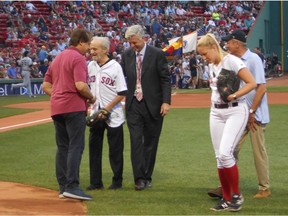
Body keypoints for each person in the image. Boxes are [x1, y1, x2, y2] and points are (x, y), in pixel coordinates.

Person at [197, 33, 256, 212]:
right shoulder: (213, 65)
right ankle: (227, 199)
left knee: (225, 154)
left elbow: (251, 83)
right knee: (219, 158)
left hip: (235, 110)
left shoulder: (231, 61)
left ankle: (236, 195)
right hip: (216, 112)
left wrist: (235, 95)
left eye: (205, 53)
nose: (204, 58)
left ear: (214, 48)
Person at [42, 28, 95, 201]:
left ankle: (63, 187)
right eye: (87, 44)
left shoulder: (58, 57)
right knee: (75, 146)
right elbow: (80, 85)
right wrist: (91, 97)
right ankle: (72, 186)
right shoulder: (78, 58)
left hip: (57, 108)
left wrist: (58, 95)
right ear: (80, 42)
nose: (88, 48)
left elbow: (46, 85)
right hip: (73, 107)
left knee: (62, 147)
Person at [121, 25, 171, 191]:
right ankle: (139, 178)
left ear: (143, 38)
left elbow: (165, 79)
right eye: (130, 43)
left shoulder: (157, 54)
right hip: (133, 103)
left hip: (153, 105)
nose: (132, 46)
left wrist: (166, 101)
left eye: (134, 42)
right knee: (136, 142)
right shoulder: (126, 55)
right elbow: (122, 77)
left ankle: (147, 175)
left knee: (150, 142)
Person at [222, 30, 271, 198]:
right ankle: (227, 186)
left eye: (229, 42)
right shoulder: (234, 60)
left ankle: (264, 188)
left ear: (237, 43)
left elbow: (261, 88)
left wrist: (252, 111)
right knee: (230, 149)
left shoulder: (253, 59)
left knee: (258, 152)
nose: (226, 45)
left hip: (255, 115)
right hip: (241, 113)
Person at [86, 36, 127, 191]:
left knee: (115, 150)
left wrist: (106, 109)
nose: (92, 52)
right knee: (94, 148)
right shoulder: (90, 66)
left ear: (105, 49)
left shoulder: (115, 66)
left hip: (113, 114)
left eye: (95, 49)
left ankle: (117, 182)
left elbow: (122, 92)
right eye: (90, 49)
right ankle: (95, 182)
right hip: (96, 113)